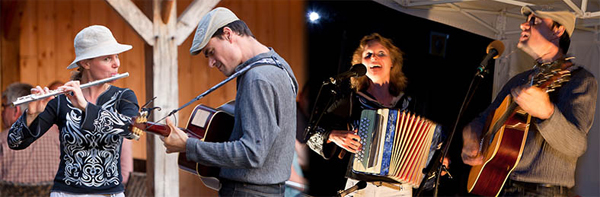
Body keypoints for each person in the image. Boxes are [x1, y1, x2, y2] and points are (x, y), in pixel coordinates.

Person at [161, 7, 298, 196]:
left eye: (211, 52)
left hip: (246, 192)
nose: (211, 63)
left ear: (228, 34)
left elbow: (251, 153)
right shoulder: (281, 66)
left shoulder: (257, 78)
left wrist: (189, 146)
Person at [461, 5, 597, 197]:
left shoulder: (579, 80)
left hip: (544, 192)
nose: (524, 25)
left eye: (534, 21)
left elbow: (576, 145)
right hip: (501, 185)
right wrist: (471, 139)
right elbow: (482, 120)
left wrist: (547, 113)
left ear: (557, 30)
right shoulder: (518, 81)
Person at [7, 25, 140, 196]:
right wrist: (31, 114)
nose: (117, 63)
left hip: (110, 194)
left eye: (116, 56)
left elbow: (134, 130)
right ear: (85, 63)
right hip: (66, 193)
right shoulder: (61, 101)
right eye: (107, 58)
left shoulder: (124, 97)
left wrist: (85, 106)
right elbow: (15, 142)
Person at [306, 33, 445, 196]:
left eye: (381, 54)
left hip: (399, 190)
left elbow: (435, 142)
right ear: (361, 63)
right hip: (360, 187)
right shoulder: (352, 101)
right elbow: (310, 133)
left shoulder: (411, 103)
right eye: (368, 55)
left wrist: (441, 158)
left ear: (392, 62)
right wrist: (332, 135)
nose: (374, 58)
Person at [0, 83, 61, 196]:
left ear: (15, 110)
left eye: (4, 106)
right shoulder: (59, 139)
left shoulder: (2, 141)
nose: (1, 112)